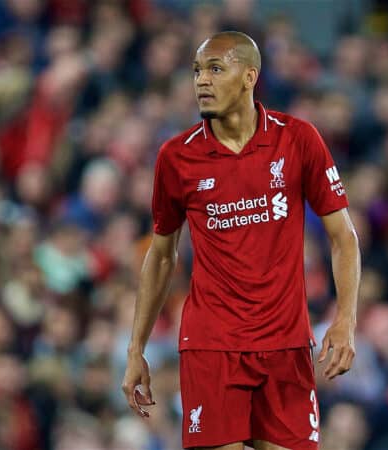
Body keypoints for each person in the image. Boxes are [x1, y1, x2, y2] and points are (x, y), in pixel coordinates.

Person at [122, 31, 361, 450]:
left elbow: (343, 237)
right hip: (212, 347)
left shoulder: (298, 139)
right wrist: (136, 347)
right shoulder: (177, 158)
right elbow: (161, 256)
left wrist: (345, 319)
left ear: (249, 76)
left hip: (285, 345)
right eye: (197, 70)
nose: (201, 81)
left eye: (216, 68)